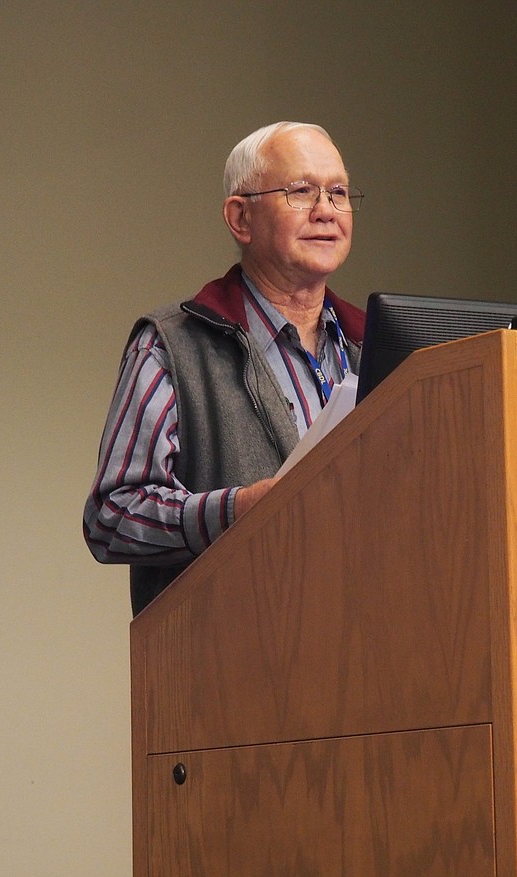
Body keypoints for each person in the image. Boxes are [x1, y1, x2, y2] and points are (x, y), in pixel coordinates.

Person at [83, 121, 366, 615]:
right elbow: (111, 516)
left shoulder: (377, 347)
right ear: (241, 218)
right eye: (301, 191)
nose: (326, 211)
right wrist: (233, 512)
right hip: (229, 662)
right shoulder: (172, 345)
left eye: (338, 192)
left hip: (365, 649)